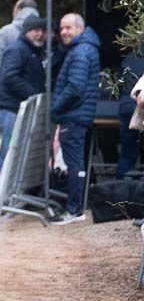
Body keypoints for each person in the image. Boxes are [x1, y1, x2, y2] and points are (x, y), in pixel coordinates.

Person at [50, 13, 101, 225]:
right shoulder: (86, 48)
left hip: (73, 116)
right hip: (79, 115)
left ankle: (74, 209)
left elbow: (74, 88)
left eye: (68, 28)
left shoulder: (80, 51)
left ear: (80, 28)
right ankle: (76, 207)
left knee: (74, 164)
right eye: (62, 28)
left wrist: (55, 108)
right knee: (76, 163)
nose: (64, 32)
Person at [0, 15, 46, 208]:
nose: (39, 33)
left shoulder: (34, 51)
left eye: (41, 30)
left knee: (17, 155)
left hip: (20, 109)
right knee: (7, 154)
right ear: (26, 31)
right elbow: (9, 77)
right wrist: (33, 95)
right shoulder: (17, 49)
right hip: (11, 110)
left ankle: (10, 197)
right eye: (34, 29)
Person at [0, 0, 39, 96]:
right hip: (35, 96)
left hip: (7, 96)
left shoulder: (6, 32)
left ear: (18, 10)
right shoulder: (42, 32)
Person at [117, 53, 144, 178]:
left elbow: (119, 83)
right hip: (140, 108)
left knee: (127, 154)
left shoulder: (128, 59)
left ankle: (121, 189)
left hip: (126, 107)